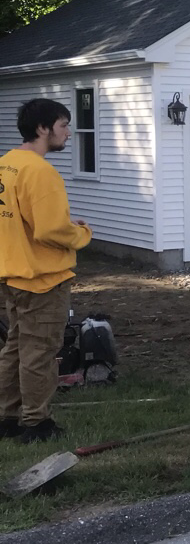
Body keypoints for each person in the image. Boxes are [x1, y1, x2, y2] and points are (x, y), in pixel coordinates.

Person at [0, 98, 93, 443]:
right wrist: (81, 233)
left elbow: (25, 220)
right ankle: (36, 424)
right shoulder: (41, 172)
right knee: (39, 351)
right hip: (43, 279)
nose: (68, 133)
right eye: (64, 125)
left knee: (16, 347)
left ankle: (6, 417)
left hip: (13, 273)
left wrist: (61, 222)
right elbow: (50, 232)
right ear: (43, 129)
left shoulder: (7, 164)